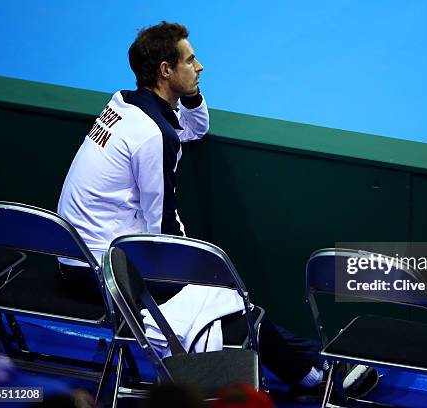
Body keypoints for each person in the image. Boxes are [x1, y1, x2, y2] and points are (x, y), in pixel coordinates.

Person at [57, 21, 377, 400]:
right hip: (103, 273)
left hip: (82, 256)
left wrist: (189, 92)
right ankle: (317, 376)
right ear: (165, 71)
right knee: (229, 294)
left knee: (225, 293)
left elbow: (193, 131)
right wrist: (203, 267)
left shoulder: (126, 104)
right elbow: (162, 231)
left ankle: (313, 367)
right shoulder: (151, 136)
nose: (201, 66)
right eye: (190, 61)